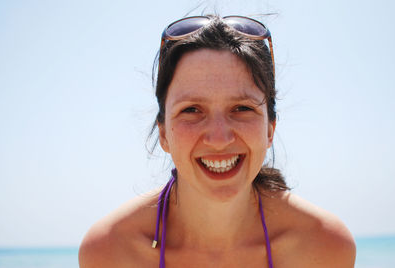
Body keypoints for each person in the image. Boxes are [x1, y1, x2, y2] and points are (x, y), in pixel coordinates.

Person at [79, 15, 356, 267]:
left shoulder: (323, 247)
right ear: (163, 132)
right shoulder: (110, 252)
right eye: (192, 110)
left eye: (242, 108)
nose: (219, 138)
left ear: (270, 128)